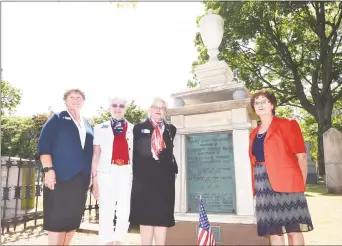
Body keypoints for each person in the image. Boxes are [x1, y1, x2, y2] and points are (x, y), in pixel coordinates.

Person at [248, 89, 314, 245]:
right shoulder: (253, 133)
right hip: (262, 183)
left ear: (272, 105)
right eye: (257, 103)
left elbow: (301, 156)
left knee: (293, 229)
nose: (260, 105)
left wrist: (301, 184)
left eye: (264, 101)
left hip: (287, 183)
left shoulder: (287, 124)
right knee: (273, 230)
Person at [37, 88, 94, 245]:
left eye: (79, 97)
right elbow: (44, 146)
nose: (76, 99)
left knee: (72, 222)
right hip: (60, 177)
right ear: (65, 100)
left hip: (80, 179)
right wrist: (49, 171)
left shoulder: (87, 122)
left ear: (84, 101)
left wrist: (91, 176)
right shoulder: (57, 118)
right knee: (57, 222)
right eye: (72, 97)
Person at [129, 97, 178, 245]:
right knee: (146, 219)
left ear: (165, 111)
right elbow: (135, 155)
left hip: (164, 182)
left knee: (162, 219)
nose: (158, 110)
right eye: (155, 107)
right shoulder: (138, 128)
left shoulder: (171, 129)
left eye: (162, 108)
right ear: (149, 109)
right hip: (144, 181)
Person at [91, 97, 134, 245]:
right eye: (114, 105)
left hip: (126, 172)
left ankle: (119, 239)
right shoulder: (99, 128)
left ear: (125, 108)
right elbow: (95, 156)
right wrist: (94, 180)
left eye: (121, 105)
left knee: (124, 209)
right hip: (106, 173)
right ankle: (107, 240)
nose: (118, 108)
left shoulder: (134, 129)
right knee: (106, 209)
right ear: (110, 108)